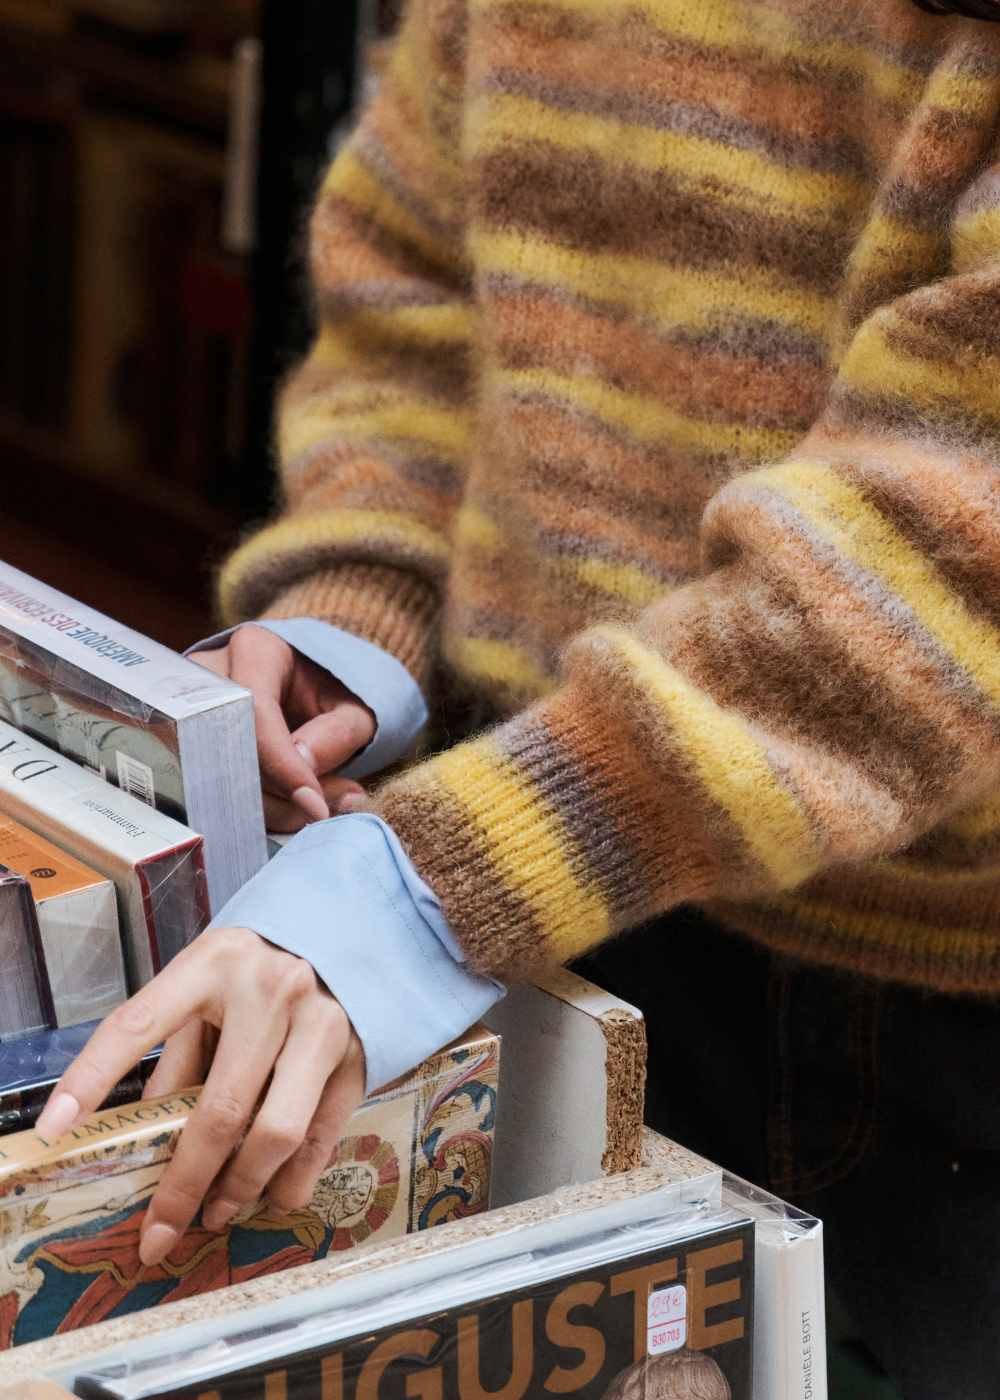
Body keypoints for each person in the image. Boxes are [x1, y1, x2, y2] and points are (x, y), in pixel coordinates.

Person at [36, 0, 1000, 1390]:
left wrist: (427, 885)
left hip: (918, 1001)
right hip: (546, 902)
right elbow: (418, 296)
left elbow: (949, 551)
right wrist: (362, 596)